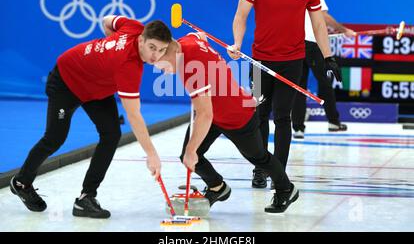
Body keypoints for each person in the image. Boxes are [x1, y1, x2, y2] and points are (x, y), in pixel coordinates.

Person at [10, 15, 172, 218]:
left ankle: (86, 197)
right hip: (67, 80)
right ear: (141, 40)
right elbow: (134, 115)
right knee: (55, 138)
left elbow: (106, 20)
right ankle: (21, 182)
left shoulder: (134, 27)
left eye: (161, 50)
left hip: (95, 87)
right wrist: (152, 154)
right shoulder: (128, 67)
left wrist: (108, 51)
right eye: (152, 48)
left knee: (111, 134)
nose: (156, 56)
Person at [229, 0, 342, 189]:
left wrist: (328, 56)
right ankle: (260, 168)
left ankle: (278, 173)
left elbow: (318, 24)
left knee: (282, 117)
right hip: (259, 63)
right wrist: (236, 43)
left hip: (291, 61)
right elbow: (240, 16)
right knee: (259, 116)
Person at [155, 32, 299, 213]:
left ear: (167, 51)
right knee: (190, 154)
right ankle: (218, 187)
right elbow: (200, 36)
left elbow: (204, 115)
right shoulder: (187, 41)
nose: (162, 71)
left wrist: (191, 151)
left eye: (160, 66)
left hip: (236, 115)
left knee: (258, 158)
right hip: (214, 114)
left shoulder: (190, 69)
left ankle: (286, 189)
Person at [291, 0, 356, 139]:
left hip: (293, 45)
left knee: (299, 87)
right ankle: (333, 122)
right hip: (312, 44)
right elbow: (324, 17)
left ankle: (297, 128)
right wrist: (344, 30)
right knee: (325, 83)